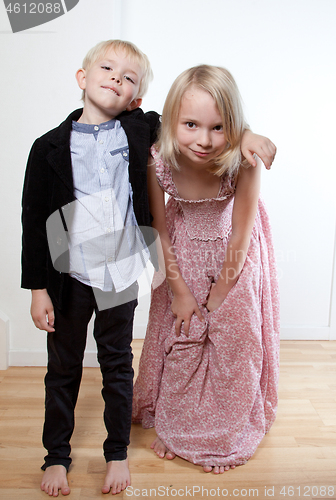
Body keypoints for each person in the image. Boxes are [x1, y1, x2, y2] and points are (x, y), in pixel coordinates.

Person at [21, 39, 276, 496]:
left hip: (137, 272)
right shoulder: (50, 148)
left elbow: (200, 121)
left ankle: (125, 450)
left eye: (129, 77)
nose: (116, 79)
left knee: (127, 363)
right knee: (69, 367)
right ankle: (57, 455)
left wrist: (247, 135)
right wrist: (37, 287)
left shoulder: (141, 130)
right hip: (74, 275)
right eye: (106, 68)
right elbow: (34, 219)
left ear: (137, 100)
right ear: (82, 78)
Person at [132, 64, 280, 475]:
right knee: (182, 340)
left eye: (218, 127)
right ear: (172, 120)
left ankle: (224, 430)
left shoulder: (242, 162)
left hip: (233, 264)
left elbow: (241, 234)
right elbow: (159, 232)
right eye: (191, 124)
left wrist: (220, 294)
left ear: (234, 126)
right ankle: (179, 427)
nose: (204, 139)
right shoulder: (158, 161)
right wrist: (181, 292)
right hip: (180, 260)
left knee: (235, 347)